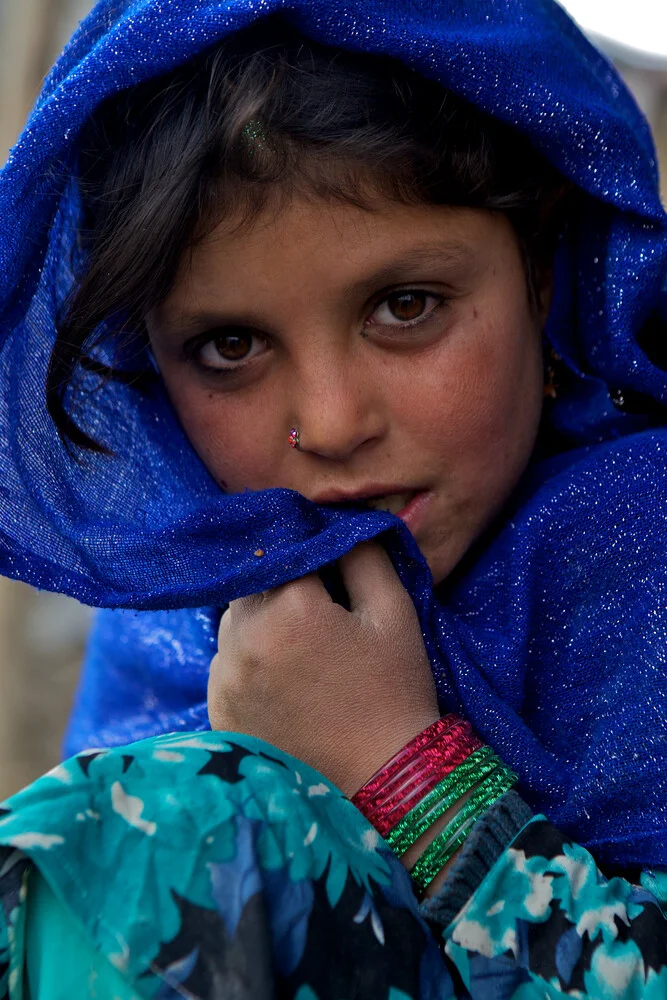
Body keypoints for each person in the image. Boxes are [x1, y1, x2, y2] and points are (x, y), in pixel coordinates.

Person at [0, 0, 666, 996]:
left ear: (540, 271)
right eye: (230, 345)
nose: (332, 420)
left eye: (406, 306)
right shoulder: (183, 625)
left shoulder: (642, 574)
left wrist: (404, 774)